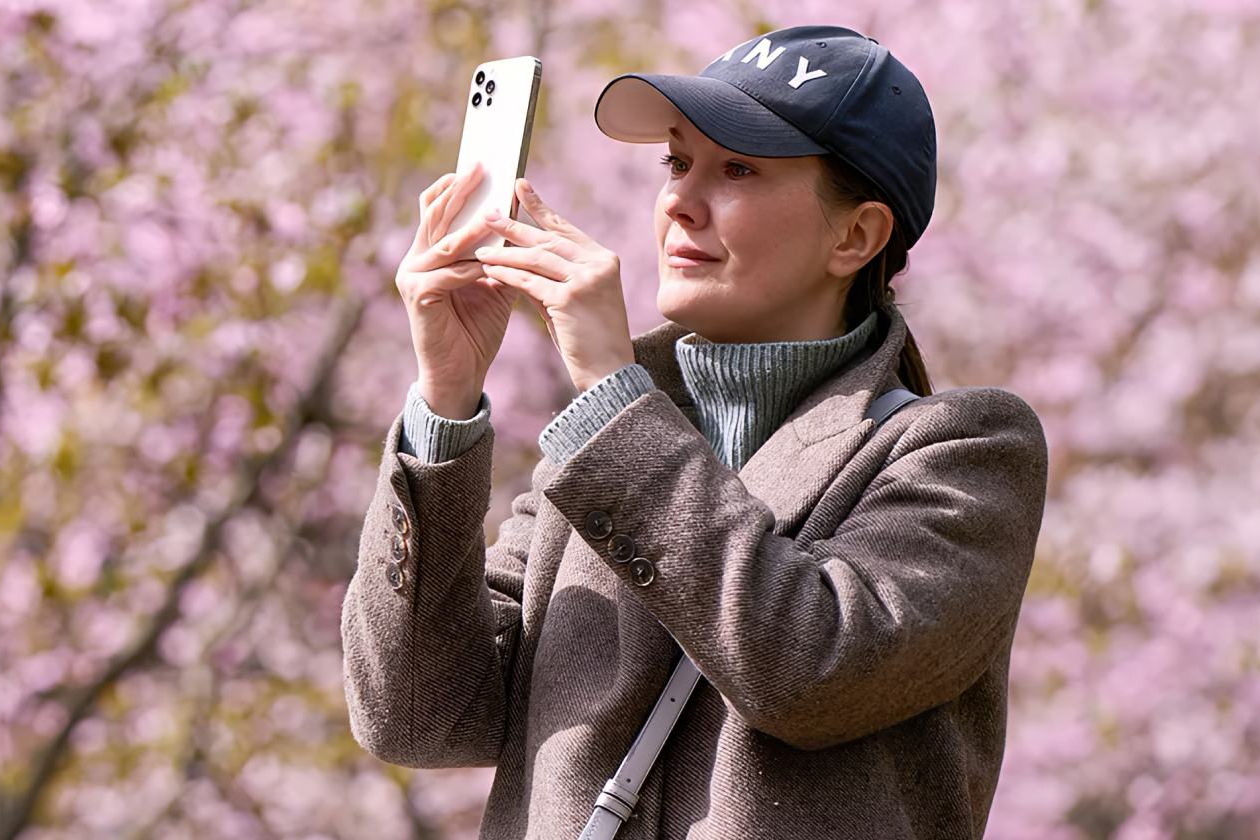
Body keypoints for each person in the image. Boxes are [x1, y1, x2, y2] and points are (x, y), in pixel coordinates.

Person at [341, 25, 1048, 839]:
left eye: (739, 168)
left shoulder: (966, 448)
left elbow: (809, 668)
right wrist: (445, 400)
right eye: (677, 162)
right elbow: (417, 717)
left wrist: (614, 400)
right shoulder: (607, 443)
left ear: (856, 236)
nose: (680, 200)